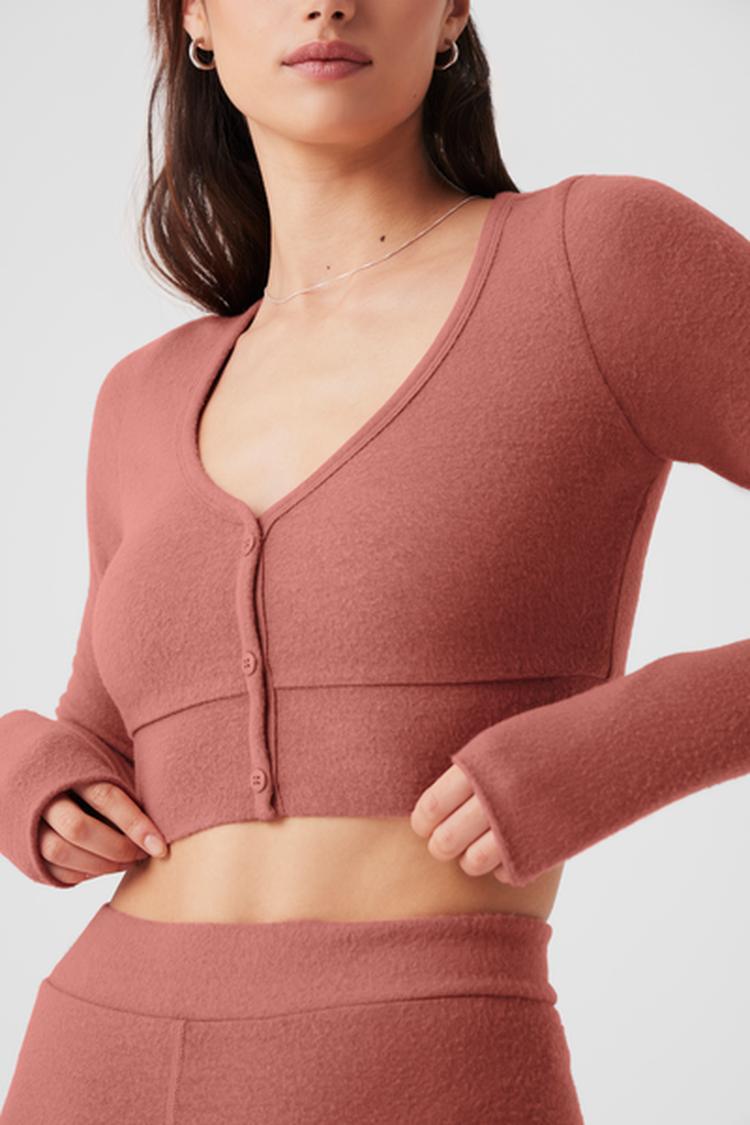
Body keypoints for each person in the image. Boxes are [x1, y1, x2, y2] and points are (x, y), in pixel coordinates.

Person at [2, 2, 748, 1122]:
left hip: (415, 1055)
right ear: (196, 17)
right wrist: (27, 772)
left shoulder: (596, 259)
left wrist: (623, 745)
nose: (327, 1)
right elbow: (108, 730)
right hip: (92, 1060)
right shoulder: (139, 395)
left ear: (450, 10)